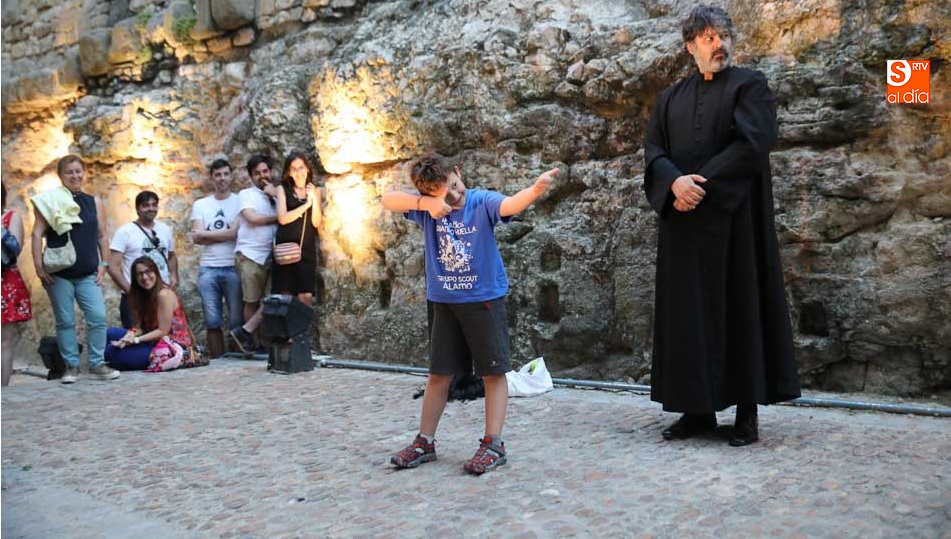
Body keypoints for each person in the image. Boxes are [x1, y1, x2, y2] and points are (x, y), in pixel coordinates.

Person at [643, 5, 800, 446]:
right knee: (687, 315)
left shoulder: (751, 86)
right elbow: (654, 150)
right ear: (691, 46)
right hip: (684, 227)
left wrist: (701, 186)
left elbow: (754, 143)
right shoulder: (669, 98)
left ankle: (746, 414)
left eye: (725, 36)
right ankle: (697, 412)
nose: (720, 44)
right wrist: (674, 183)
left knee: (741, 307)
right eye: (709, 38)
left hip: (736, 223)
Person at [382, 152, 557, 474]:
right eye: (443, 193)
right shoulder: (427, 208)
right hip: (444, 301)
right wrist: (425, 205)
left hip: (483, 300)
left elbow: (509, 206)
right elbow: (388, 199)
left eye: (454, 185)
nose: (453, 195)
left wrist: (535, 190)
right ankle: (425, 441)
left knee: (493, 372)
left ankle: (493, 443)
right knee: (439, 374)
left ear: (457, 172)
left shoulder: (480, 201)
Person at [31, 155, 120, 384]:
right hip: (59, 274)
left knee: (98, 317)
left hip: (88, 272)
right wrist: (39, 267)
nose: (75, 176)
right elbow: (37, 233)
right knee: (65, 321)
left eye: (78, 171)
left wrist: (104, 264)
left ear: (84, 173)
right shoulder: (49, 201)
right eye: (69, 172)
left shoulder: (94, 202)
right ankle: (71, 366)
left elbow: (102, 235)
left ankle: (97, 363)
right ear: (61, 176)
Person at [104, 256, 202, 371]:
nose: (145, 277)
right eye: (140, 274)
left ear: (155, 272)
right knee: (107, 334)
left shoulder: (164, 294)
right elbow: (139, 325)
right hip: (151, 342)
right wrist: (130, 334)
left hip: (170, 346)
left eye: (148, 272)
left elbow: (162, 331)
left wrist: (135, 340)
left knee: (111, 351)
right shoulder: (142, 294)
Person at [190, 158, 243, 359]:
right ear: (212, 178)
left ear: (231, 176)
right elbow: (196, 237)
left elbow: (235, 234)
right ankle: (219, 360)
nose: (222, 178)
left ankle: (238, 359)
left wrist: (207, 235)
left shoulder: (239, 201)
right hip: (208, 269)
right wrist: (228, 233)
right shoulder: (201, 204)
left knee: (237, 320)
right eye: (218, 174)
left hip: (232, 267)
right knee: (212, 321)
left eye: (226, 174)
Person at [107, 190, 179, 329]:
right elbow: (112, 266)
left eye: (154, 205)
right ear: (137, 209)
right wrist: (131, 291)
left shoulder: (164, 229)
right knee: (136, 340)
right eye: (146, 205)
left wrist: (174, 275)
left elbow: (171, 255)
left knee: (164, 340)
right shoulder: (125, 232)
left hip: (161, 295)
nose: (151, 208)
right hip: (136, 298)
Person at [230, 155, 279, 355]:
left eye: (265, 171)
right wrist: (280, 217)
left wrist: (276, 195)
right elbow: (252, 218)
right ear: (251, 176)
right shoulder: (246, 194)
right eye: (257, 173)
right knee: (251, 301)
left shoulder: (275, 195)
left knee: (272, 299)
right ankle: (252, 344)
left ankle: (262, 340)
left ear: (271, 172)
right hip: (250, 255)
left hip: (272, 255)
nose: (262, 176)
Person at [270, 151, 322, 308]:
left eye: (301, 168)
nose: (299, 172)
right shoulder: (282, 190)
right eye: (294, 169)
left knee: (305, 296)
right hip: (286, 249)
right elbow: (283, 218)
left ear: (307, 169)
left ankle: (303, 332)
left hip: (305, 250)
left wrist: (313, 199)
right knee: (285, 296)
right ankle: (287, 333)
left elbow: (316, 222)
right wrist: (306, 205)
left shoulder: (315, 191)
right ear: (289, 173)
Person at [2, 183, 33, 386]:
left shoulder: (11, 217)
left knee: (5, 339)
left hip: (5, 282)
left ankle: (2, 389)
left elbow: (15, 250)